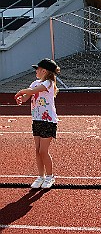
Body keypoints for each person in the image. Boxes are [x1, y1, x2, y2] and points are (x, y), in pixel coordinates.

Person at [14, 58, 60, 189]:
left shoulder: (49, 83)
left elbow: (32, 91)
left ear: (44, 71)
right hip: (37, 119)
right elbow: (28, 95)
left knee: (43, 150)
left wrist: (22, 92)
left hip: (48, 121)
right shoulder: (35, 83)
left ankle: (50, 177)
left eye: (37, 69)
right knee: (37, 151)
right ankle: (41, 176)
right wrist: (21, 98)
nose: (36, 71)